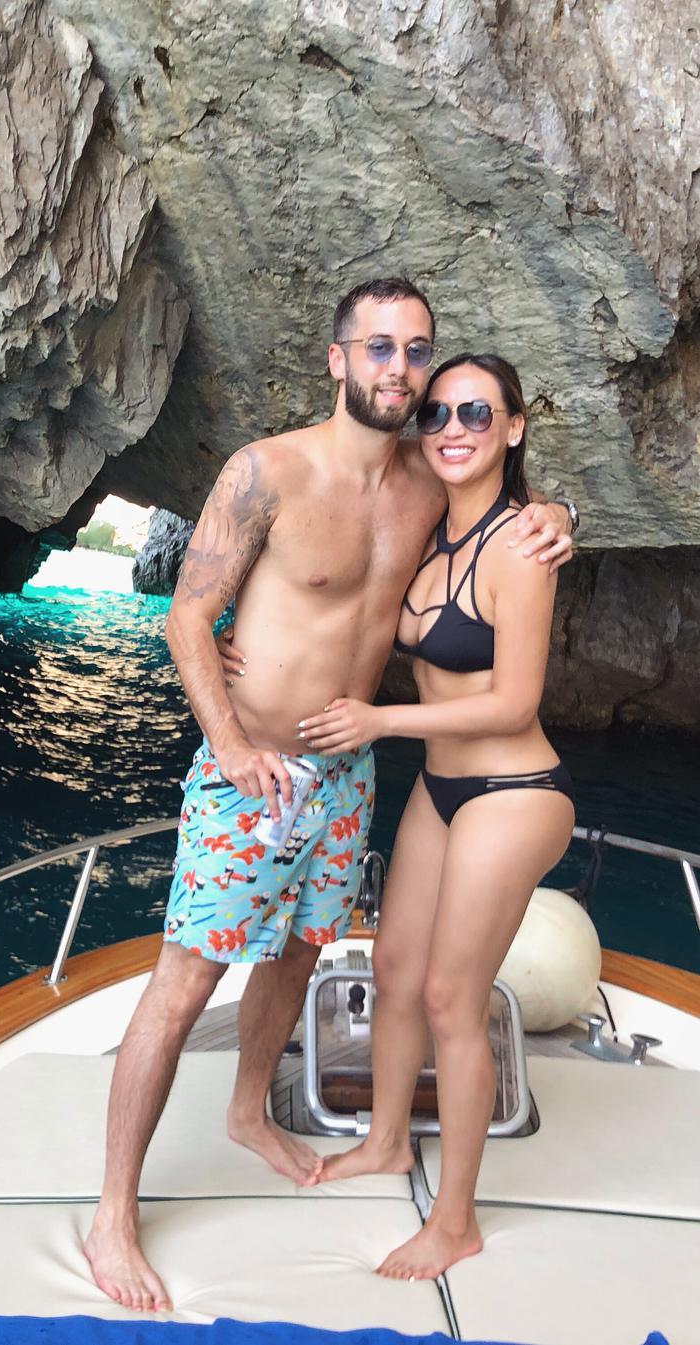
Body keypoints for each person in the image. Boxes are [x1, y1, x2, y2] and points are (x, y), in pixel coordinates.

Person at [83, 278, 574, 1313]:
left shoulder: (426, 483)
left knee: (302, 950)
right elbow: (187, 619)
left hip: (348, 773)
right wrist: (229, 746)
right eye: (379, 347)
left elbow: (504, 502)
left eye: (417, 350)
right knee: (184, 982)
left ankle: (248, 1110)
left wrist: (557, 516)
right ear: (338, 359)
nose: (401, 369)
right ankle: (113, 1212)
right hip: (251, 768)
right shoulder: (266, 472)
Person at [293, 352, 576, 1281]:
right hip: (441, 788)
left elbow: (513, 701)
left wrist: (380, 720)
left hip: (514, 791)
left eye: (477, 413)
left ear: (514, 428)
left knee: (454, 997)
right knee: (394, 969)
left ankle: (455, 1221)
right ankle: (385, 1142)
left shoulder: (520, 547)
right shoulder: (425, 525)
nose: (454, 429)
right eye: (439, 413)